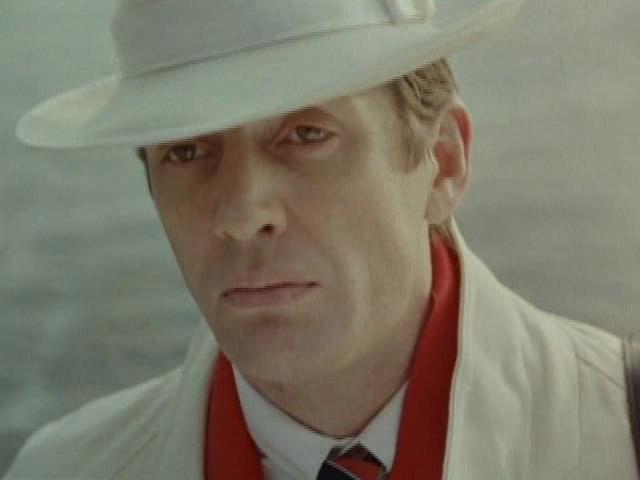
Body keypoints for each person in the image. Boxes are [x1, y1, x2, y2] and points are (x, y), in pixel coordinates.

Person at [5, 0, 638, 478]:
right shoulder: (60, 470)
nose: (242, 212)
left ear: (443, 163)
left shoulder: (624, 437)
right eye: (187, 151)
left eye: (307, 134)